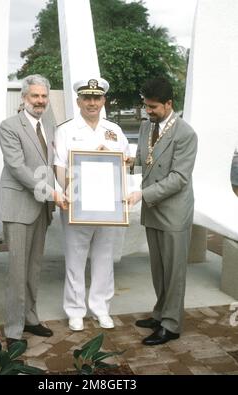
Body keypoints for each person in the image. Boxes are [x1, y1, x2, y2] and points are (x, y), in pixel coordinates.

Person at [54, 77, 130, 331]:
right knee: (75, 259)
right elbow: (60, 166)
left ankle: (100, 308)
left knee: (104, 258)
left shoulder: (114, 131)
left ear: (103, 100)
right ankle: (75, 310)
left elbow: (125, 163)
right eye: (86, 98)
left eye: (96, 98)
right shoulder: (66, 130)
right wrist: (66, 192)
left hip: (108, 206)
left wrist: (111, 159)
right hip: (77, 205)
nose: (92, 103)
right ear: (78, 101)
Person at [127, 77, 198, 346]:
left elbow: (179, 177)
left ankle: (172, 324)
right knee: (158, 269)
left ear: (169, 104)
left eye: (154, 107)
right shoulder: (147, 126)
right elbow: (142, 158)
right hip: (153, 209)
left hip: (173, 212)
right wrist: (115, 158)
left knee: (174, 270)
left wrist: (142, 194)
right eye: (146, 106)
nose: (148, 111)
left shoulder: (186, 134)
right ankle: (160, 313)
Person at [0, 74, 67, 348]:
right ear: (24, 98)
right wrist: (51, 193)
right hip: (18, 208)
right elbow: (18, 168)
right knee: (17, 271)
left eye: (43, 96)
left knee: (33, 267)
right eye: (35, 96)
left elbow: (55, 163)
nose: (40, 101)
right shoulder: (9, 126)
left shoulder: (49, 125)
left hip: (41, 209)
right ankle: (14, 331)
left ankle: (30, 317)